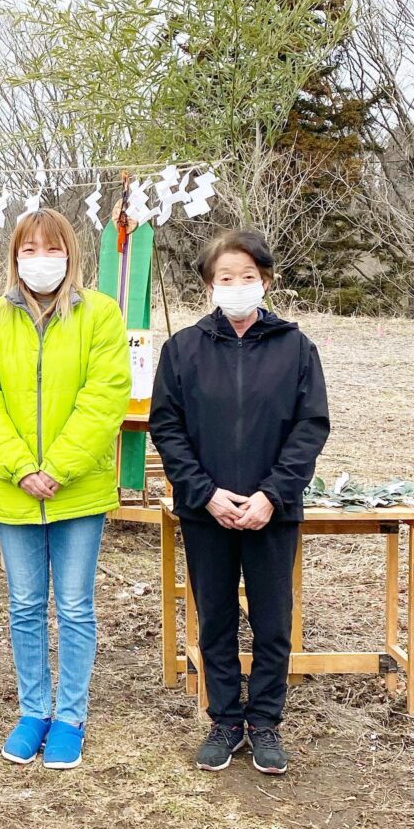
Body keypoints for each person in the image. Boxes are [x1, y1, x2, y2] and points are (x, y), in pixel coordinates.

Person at [149, 229, 329, 776]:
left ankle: (266, 721)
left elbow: (310, 426)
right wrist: (203, 494)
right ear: (209, 285)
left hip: (273, 511)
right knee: (217, 616)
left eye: (247, 277)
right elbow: (167, 426)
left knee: (273, 619)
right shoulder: (182, 349)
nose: (237, 286)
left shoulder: (297, 348)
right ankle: (225, 718)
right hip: (208, 512)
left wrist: (273, 495)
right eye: (225, 278)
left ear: (266, 281)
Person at [0, 207, 130, 770]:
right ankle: (34, 709)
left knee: (76, 606)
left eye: (51, 250)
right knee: (26, 605)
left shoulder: (101, 316)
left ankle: (71, 716)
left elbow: (104, 397)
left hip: (76, 489)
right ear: (14, 258)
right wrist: (16, 466)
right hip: (14, 492)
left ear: (70, 255)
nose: (41, 262)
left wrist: (58, 466)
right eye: (28, 251)